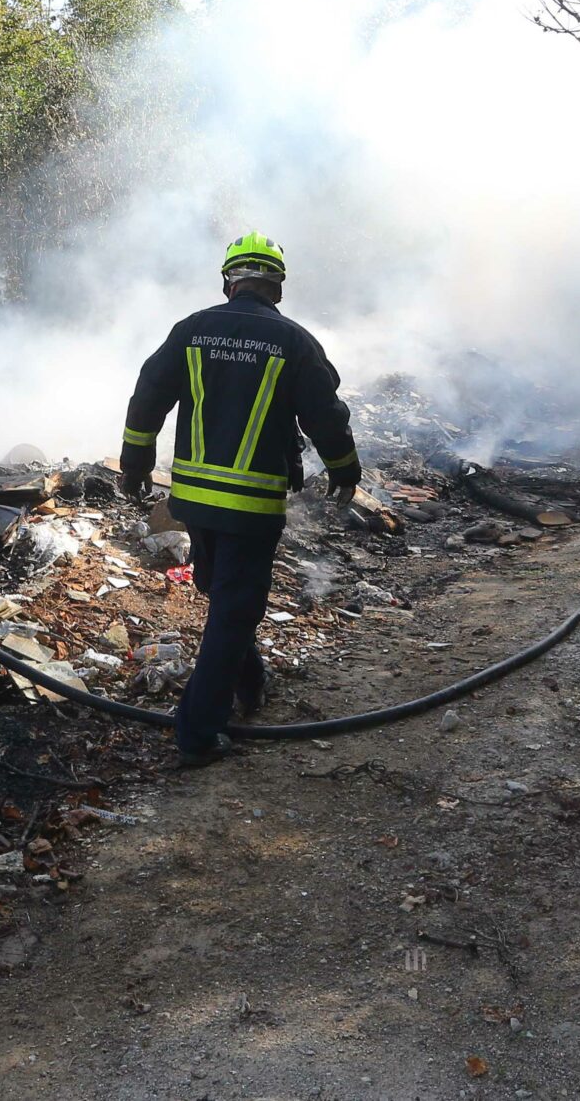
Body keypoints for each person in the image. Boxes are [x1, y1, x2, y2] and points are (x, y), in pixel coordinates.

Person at [120, 232, 360, 767]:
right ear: (277, 284)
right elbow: (326, 416)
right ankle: (198, 733)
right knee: (234, 606)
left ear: (228, 279)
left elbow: (147, 399)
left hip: (196, 501)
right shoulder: (294, 342)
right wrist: (346, 471)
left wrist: (134, 466)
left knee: (225, 595)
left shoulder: (193, 330)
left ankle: (250, 685)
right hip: (251, 507)